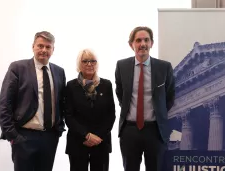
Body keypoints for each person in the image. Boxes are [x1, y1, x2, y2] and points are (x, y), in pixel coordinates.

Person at [0, 31, 66, 171]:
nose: (44, 50)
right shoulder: (17, 68)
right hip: (24, 137)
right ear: (33, 47)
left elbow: (61, 102)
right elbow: (5, 103)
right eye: (40, 46)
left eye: (48, 47)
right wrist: (13, 136)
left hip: (50, 137)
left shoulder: (59, 72)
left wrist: (58, 129)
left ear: (53, 49)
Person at [115, 26, 175, 171]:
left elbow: (169, 96)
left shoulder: (164, 67)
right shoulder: (121, 66)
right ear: (131, 45)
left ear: (152, 43)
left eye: (146, 40)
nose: (143, 44)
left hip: (155, 131)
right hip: (130, 130)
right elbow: (121, 93)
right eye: (138, 40)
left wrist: (159, 112)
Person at [64, 49, 116, 171]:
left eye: (92, 61)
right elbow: (68, 116)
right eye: (85, 61)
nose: (89, 64)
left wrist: (97, 137)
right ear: (79, 64)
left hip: (100, 142)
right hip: (78, 142)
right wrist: (86, 136)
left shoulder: (106, 85)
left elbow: (111, 115)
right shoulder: (71, 86)